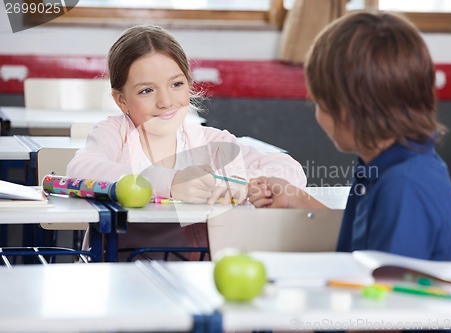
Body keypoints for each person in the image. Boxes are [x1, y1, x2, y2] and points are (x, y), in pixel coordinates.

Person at [67, 25, 307, 261]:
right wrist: (169, 182)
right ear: (122, 100)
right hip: (121, 272)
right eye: (147, 90)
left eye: (176, 84)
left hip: (198, 274)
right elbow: (79, 170)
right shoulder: (115, 133)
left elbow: (288, 167)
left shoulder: (209, 141)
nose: (165, 101)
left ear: (189, 84)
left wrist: (250, 183)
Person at [248, 11, 451, 261]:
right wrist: (296, 198)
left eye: (318, 104)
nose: (318, 115)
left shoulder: (403, 186)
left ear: (345, 112)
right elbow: (359, 247)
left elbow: (386, 291)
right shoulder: (382, 164)